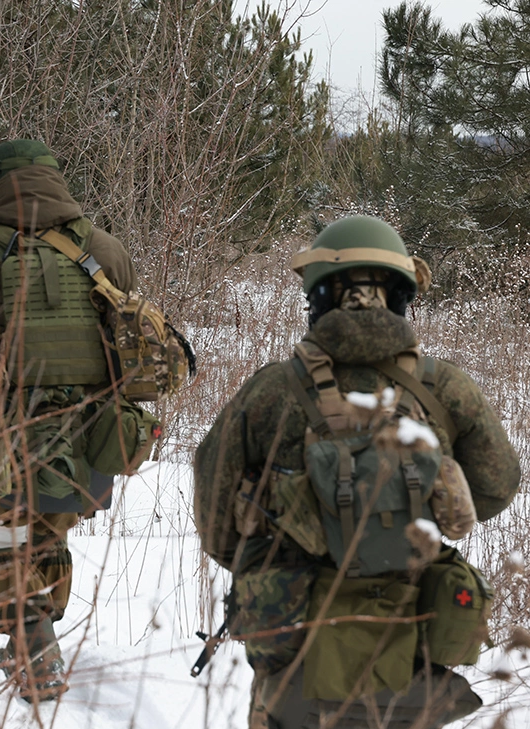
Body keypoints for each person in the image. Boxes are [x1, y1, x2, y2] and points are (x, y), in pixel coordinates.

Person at [193, 215, 521, 728]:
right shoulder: (446, 390)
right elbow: (498, 489)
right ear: (400, 296)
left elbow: (216, 518)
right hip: (409, 652)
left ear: (319, 298)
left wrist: (274, 551)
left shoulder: (271, 391)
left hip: (292, 653)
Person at [0, 139, 158, 702]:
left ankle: (36, 649)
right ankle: (34, 634)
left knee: (2, 536)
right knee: (49, 528)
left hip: (0, 430)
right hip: (92, 433)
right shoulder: (105, 249)